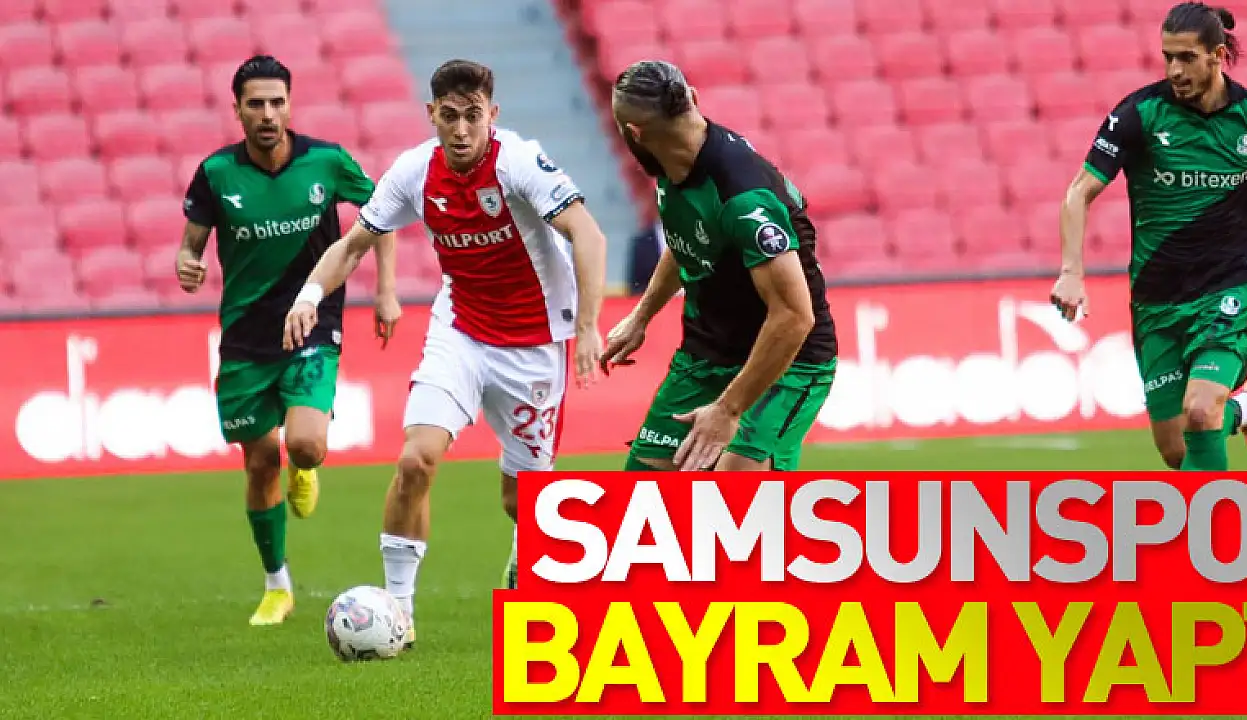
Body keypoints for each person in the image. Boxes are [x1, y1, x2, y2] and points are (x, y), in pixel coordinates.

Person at [282, 59, 609, 641]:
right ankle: (398, 611)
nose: (461, 130)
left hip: (535, 343)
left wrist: (587, 325)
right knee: (416, 460)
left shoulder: (518, 162)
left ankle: (524, 551)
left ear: (492, 115)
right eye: (450, 116)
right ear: (431, 113)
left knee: (523, 500)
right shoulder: (415, 171)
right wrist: (309, 295)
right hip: (460, 331)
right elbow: (354, 244)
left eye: (473, 116)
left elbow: (587, 233)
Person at [176, 55, 399, 626]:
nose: (268, 114)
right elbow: (191, 244)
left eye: (277, 102)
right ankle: (278, 585)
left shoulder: (326, 161)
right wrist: (187, 263)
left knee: (304, 445)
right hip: (245, 337)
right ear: (238, 110)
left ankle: (305, 466)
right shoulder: (216, 174)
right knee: (258, 464)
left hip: (312, 322)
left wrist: (385, 292)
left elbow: (383, 216)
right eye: (256, 104)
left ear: (290, 105)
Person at [1051, 2, 1247, 471]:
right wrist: (1071, 272)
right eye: (1168, 57)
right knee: (1177, 450)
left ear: (1217, 56)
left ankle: (1214, 520)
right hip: (1157, 297)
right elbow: (1078, 192)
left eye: (1187, 58)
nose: (1175, 70)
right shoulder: (1140, 114)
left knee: (1201, 411)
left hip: (1227, 286)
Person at [599, 60, 838, 473]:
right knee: (643, 495)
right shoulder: (674, 165)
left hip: (785, 360)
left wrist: (727, 410)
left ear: (634, 134)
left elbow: (795, 316)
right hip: (708, 353)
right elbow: (687, 238)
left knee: (734, 493)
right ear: (692, 98)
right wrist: (641, 316)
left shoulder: (742, 195)